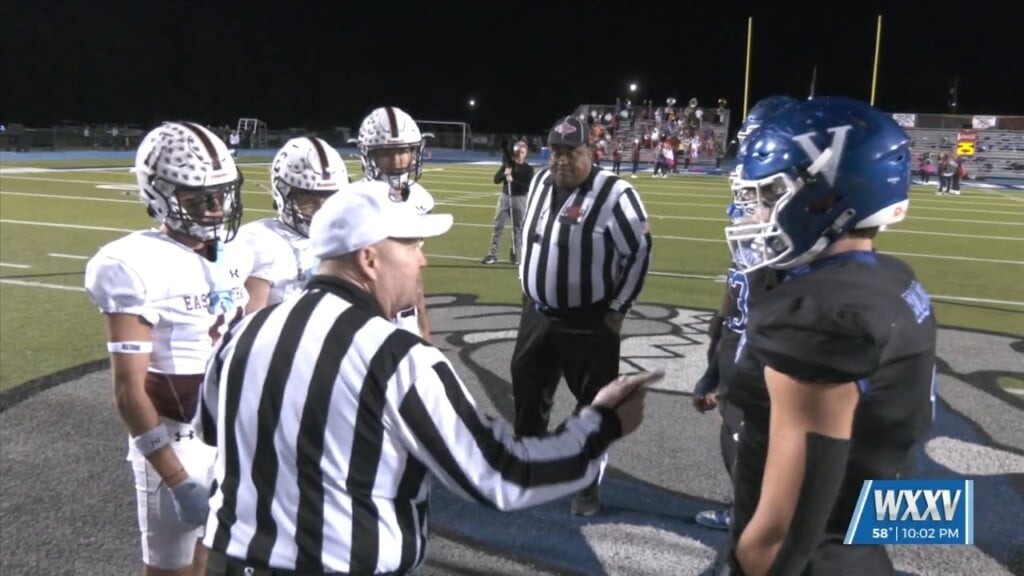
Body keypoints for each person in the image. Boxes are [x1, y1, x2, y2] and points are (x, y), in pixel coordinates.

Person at [195, 180, 657, 575]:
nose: (422, 261)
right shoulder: (397, 357)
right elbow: (500, 475)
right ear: (369, 259)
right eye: (412, 245)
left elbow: (212, 432)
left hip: (230, 563)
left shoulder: (245, 331)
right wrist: (600, 424)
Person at [720, 97, 937, 575]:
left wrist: (744, 562)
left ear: (826, 199)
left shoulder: (817, 316)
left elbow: (780, 541)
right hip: (857, 547)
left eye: (769, 195)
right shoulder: (895, 280)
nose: (751, 212)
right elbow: (901, 476)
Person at [83, 121, 251, 576]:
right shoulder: (132, 265)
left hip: (228, 439)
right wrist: (176, 480)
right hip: (177, 441)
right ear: (159, 194)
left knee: (209, 563)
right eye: (198, 199)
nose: (216, 209)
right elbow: (128, 392)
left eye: (221, 195)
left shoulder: (238, 251)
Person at [512, 115, 653, 516]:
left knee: (594, 407)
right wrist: (527, 281)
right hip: (537, 314)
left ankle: (587, 486)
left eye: (571, 153)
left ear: (591, 152)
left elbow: (640, 252)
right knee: (528, 397)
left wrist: (617, 309)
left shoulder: (617, 193)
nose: (561, 161)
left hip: (589, 322)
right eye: (555, 152)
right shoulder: (540, 182)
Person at [692, 95, 798, 532]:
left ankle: (764, 531)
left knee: (766, 446)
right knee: (736, 436)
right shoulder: (750, 203)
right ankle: (751, 517)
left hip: (773, 354)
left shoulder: (802, 218)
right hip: (741, 339)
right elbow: (738, 283)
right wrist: (717, 354)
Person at [236, 136, 349, 313]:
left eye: (328, 197)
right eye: (307, 198)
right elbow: (250, 326)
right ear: (283, 193)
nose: (320, 208)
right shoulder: (261, 241)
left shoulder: (344, 239)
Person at [356, 106, 436, 340]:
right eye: (386, 153)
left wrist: (424, 329)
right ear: (368, 154)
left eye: (404, 151)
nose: (398, 160)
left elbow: (414, 276)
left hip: (406, 320)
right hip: (364, 321)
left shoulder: (420, 198)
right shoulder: (351, 203)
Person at [482, 139, 533, 265]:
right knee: (498, 226)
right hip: (505, 197)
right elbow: (495, 179)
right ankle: (492, 254)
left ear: (526, 153)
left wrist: (512, 180)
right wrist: (505, 175)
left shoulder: (528, 169)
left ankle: (516, 256)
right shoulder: (509, 165)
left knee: (517, 229)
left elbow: (527, 187)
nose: (520, 153)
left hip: (519, 199)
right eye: (518, 150)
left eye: (523, 151)